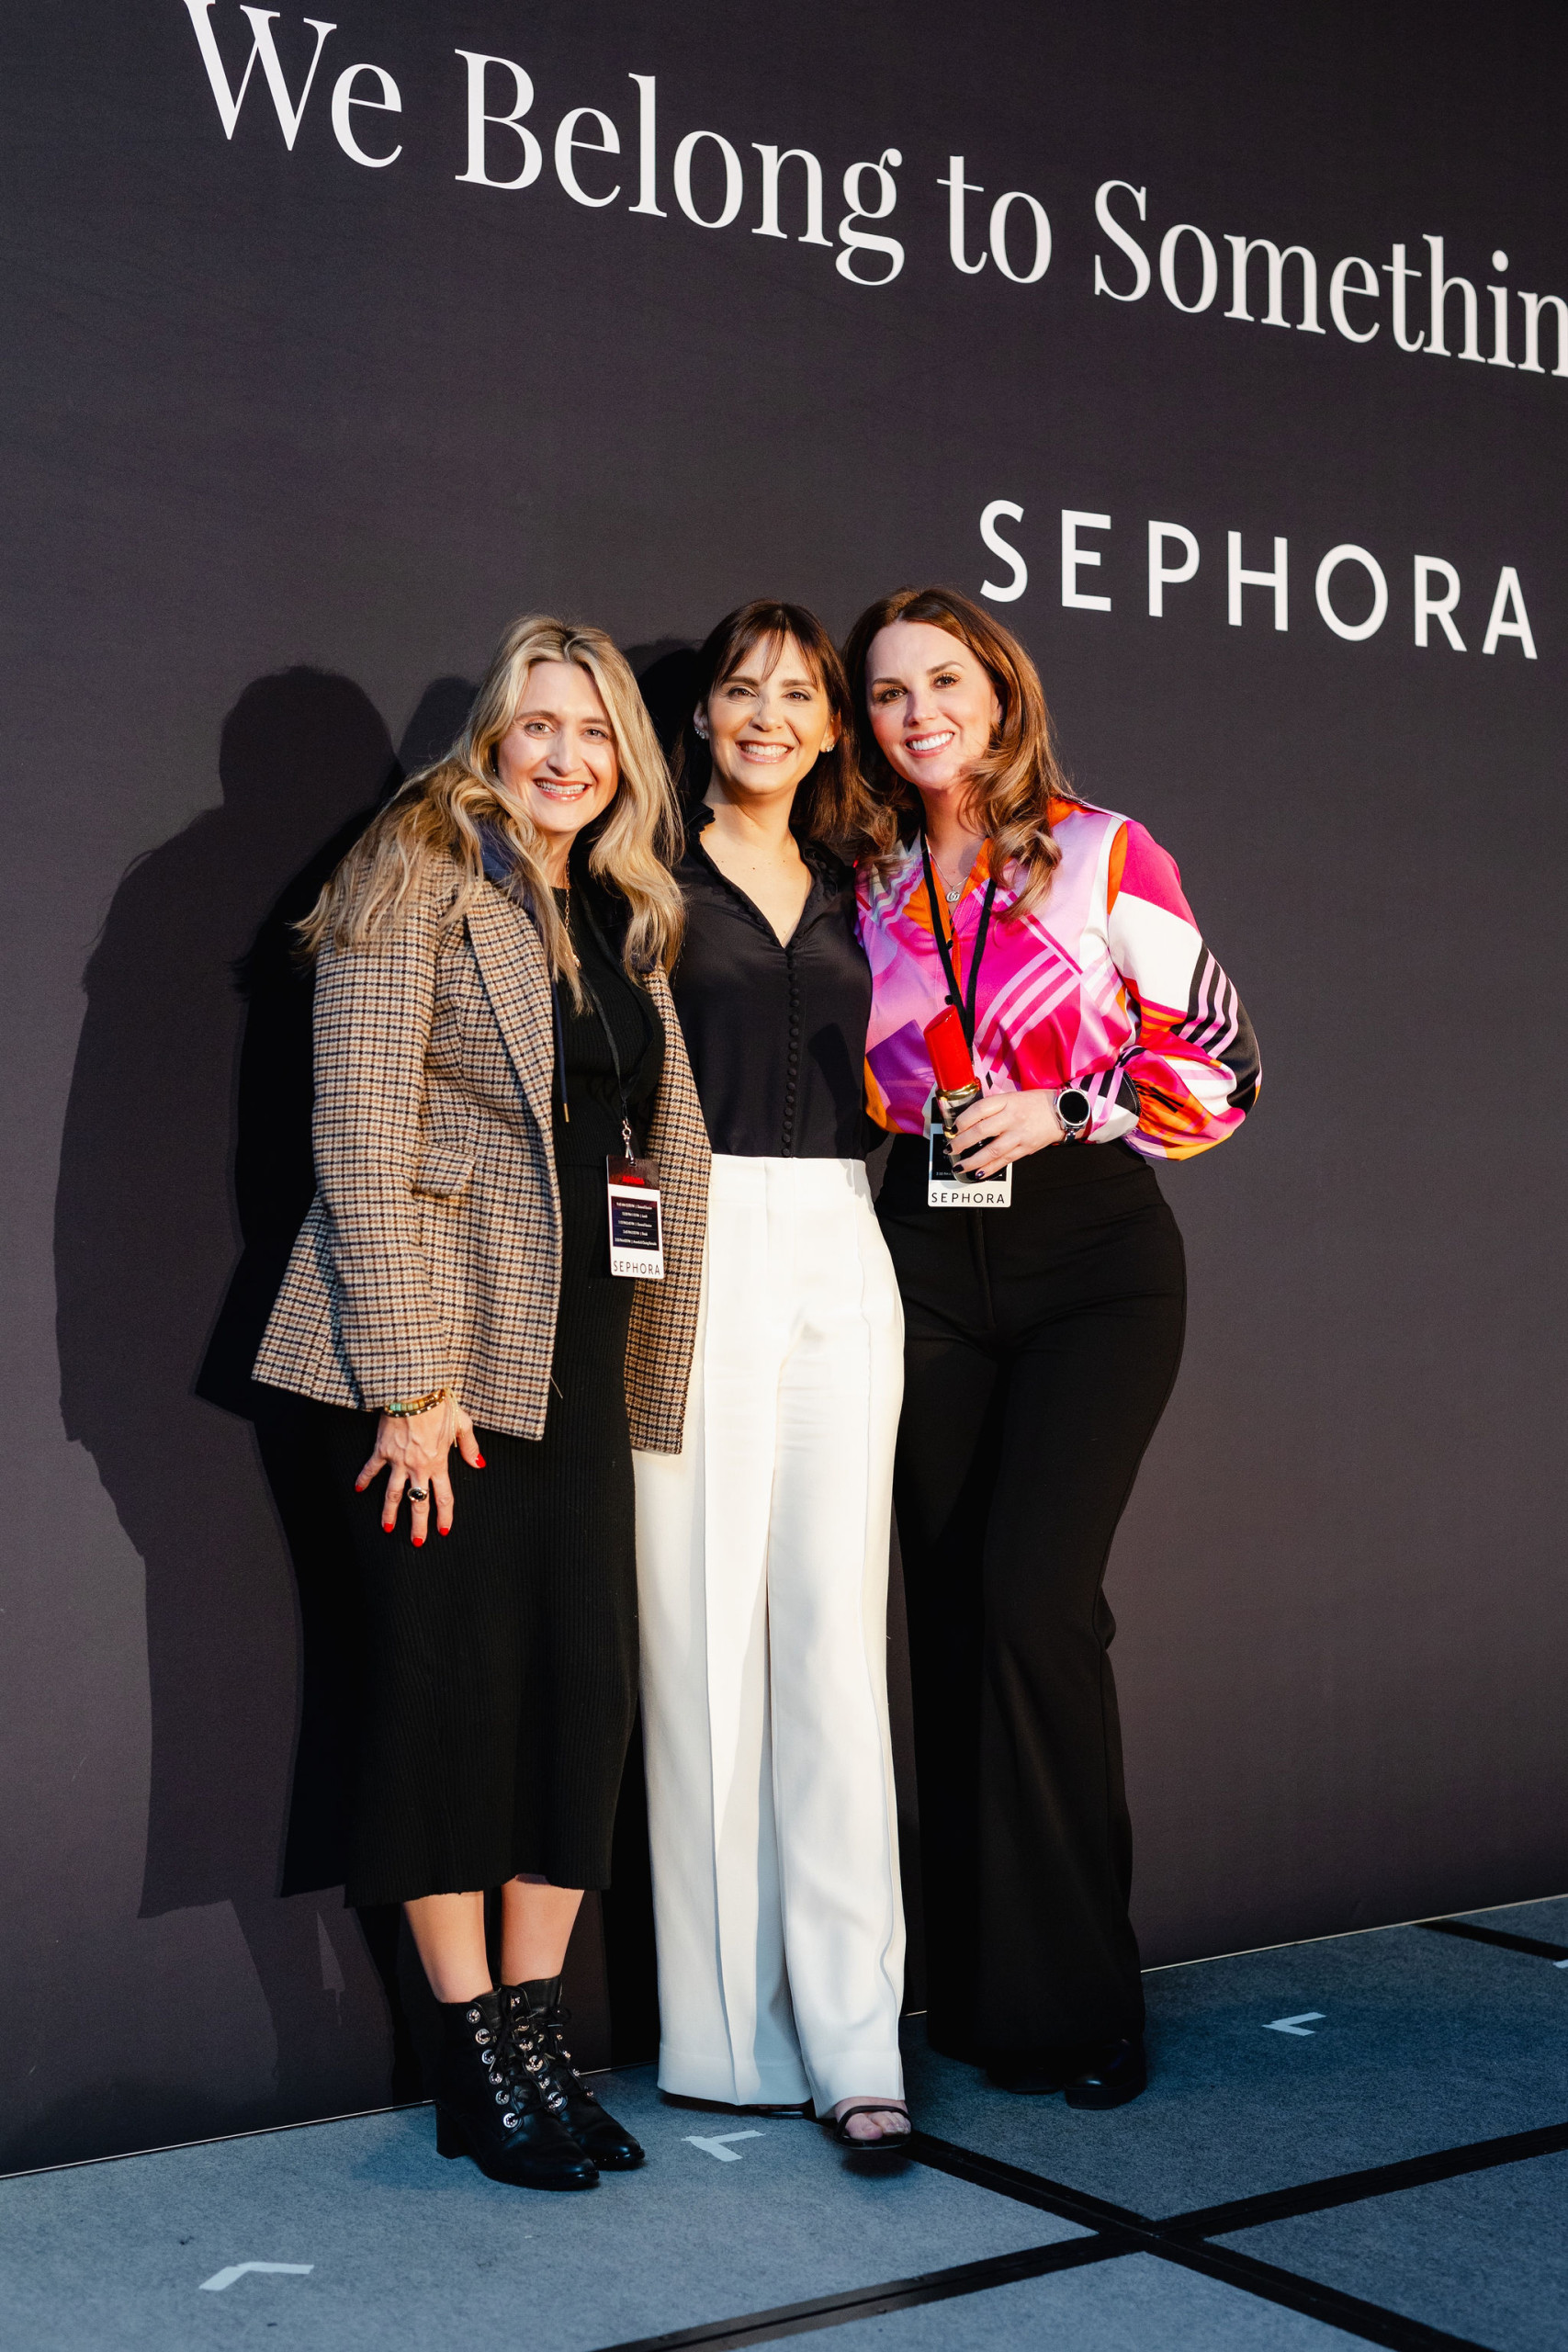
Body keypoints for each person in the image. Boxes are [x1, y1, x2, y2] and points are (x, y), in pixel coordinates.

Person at [253, 616, 709, 2188]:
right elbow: (360, 1128)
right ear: (494, 741)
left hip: (581, 1367)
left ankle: (539, 2041)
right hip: (441, 1372)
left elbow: (659, 1153)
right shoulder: (417, 870)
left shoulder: (628, 909)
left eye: (595, 731)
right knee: (450, 1718)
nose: (568, 755)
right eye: (540, 726)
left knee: (576, 1716)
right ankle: (474, 2063)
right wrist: (410, 1382)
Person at [844, 586, 1259, 2109]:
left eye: (941, 681)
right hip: (925, 1260)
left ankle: (1087, 1997)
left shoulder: (1102, 848)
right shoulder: (868, 881)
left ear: (999, 692)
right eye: (886, 693)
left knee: (1034, 1603)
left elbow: (1223, 1071)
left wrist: (1066, 1102)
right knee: (951, 1621)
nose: (917, 713)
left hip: (1090, 1253)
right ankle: (981, 1999)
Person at [633, 602, 912, 2152]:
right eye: (742, 689)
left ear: (827, 731)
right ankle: (725, 2038)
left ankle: (854, 2041)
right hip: (689, 1243)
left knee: (827, 1645)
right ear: (705, 720)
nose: (765, 713)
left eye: (795, 695)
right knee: (698, 1640)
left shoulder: (875, 890)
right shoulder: (645, 882)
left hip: (843, 1245)